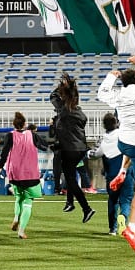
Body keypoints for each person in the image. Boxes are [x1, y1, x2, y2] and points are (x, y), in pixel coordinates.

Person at [97, 55, 135, 253]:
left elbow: (101, 93)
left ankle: (122, 171)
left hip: (123, 144)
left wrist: (110, 76)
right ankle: (131, 228)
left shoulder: (118, 96)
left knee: (129, 149)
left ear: (123, 82)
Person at [50, 73, 95, 225]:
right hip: (81, 148)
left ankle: (86, 208)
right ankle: (70, 202)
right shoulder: (79, 112)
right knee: (70, 174)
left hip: (69, 149)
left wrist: (61, 87)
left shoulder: (63, 109)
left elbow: (52, 96)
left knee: (70, 178)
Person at [0, 112, 49, 239]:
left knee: (19, 197)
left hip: (15, 173)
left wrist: (0, 165)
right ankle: (21, 230)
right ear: (25, 124)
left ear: (14, 125)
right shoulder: (32, 134)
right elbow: (44, 147)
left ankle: (15, 218)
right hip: (30, 173)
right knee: (28, 201)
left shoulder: (10, 135)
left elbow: (5, 152)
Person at [88, 112, 134, 236]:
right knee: (126, 200)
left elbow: (94, 154)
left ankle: (112, 229)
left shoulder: (103, 140)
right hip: (125, 173)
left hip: (111, 175)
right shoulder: (123, 135)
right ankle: (123, 218)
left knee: (113, 200)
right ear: (116, 123)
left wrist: (86, 153)